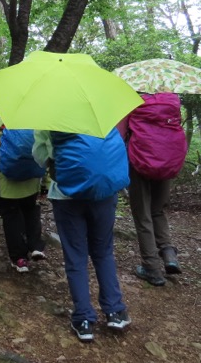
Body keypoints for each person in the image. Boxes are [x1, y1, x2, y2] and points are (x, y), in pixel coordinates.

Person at [33, 127, 131, 343]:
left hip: (65, 194)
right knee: (103, 252)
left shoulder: (47, 118)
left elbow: (39, 158)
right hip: (103, 193)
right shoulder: (100, 110)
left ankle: (84, 319)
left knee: (76, 257)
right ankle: (115, 311)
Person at [118, 92, 188, 287]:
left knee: (143, 216)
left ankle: (152, 269)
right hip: (166, 160)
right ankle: (168, 254)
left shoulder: (132, 101)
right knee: (157, 210)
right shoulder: (171, 101)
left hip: (139, 161)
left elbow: (120, 135)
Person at [0, 118, 46, 273]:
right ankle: (36, 246)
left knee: (11, 217)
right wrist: (46, 183)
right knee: (30, 210)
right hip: (32, 179)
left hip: (8, 180)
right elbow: (46, 153)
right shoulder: (38, 123)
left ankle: (19, 259)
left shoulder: (0, 126)